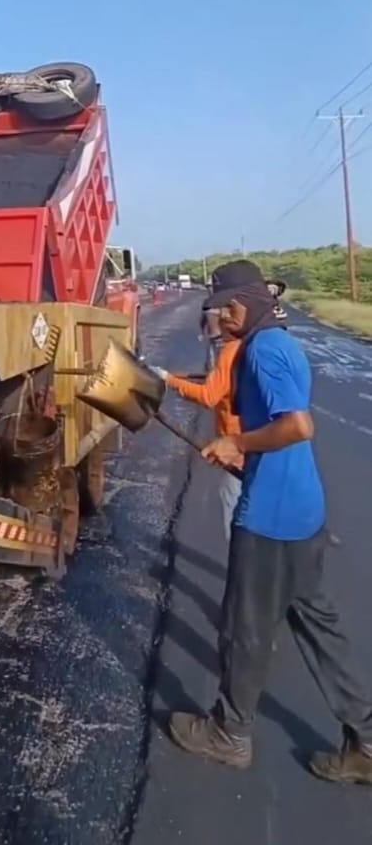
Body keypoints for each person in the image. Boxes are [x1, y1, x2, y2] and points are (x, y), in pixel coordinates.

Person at [167, 260, 372, 783]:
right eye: (220, 308)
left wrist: (236, 441)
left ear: (253, 302)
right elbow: (276, 426)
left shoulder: (264, 350)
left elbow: (298, 425)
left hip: (272, 519)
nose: (224, 316)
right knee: (320, 630)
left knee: (245, 630)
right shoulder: (274, 341)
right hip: (302, 510)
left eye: (230, 306)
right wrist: (245, 454)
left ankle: (229, 734)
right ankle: (366, 742)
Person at [151, 306, 243, 542]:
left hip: (237, 443)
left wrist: (169, 380)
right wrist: (174, 376)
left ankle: (242, 561)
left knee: (232, 501)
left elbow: (209, 395)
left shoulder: (230, 351)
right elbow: (215, 383)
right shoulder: (246, 348)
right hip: (247, 439)